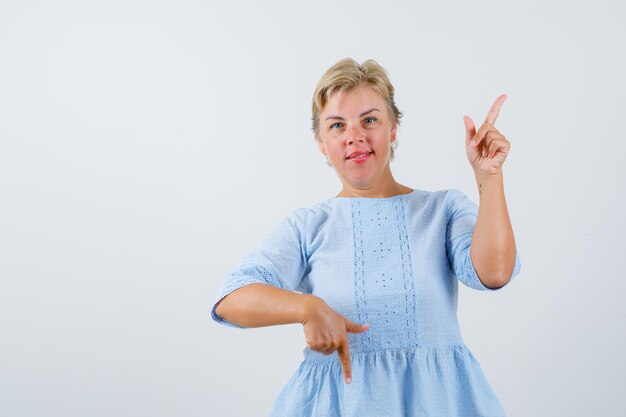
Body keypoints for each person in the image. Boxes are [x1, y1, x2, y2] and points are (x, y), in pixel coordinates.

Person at [211, 57, 521, 417]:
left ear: (393, 128)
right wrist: (307, 308)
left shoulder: (442, 210)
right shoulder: (307, 227)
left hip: (438, 403)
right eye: (337, 125)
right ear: (321, 143)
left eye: (369, 120)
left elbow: (494, 272)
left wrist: (489, 177)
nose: (354, 136)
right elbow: (231, 299)